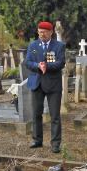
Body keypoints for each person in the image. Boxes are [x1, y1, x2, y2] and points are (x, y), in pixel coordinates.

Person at [25, 21, 66, 153]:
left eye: (45, 32)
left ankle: (55, 143)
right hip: (36, 83)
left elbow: (61, 63)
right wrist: (38, 66)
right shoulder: (33, 45)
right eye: (40, 31)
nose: (42, 34)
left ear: (51, 32)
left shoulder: (59, 46)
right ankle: (37, 140)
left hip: (53, 85)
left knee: (54, 116)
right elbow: (28, 62)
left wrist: (46, 66)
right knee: (36, 114)